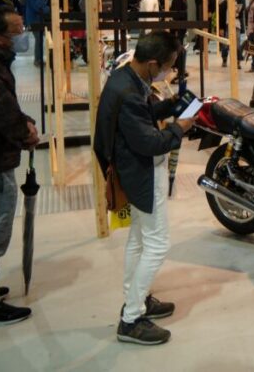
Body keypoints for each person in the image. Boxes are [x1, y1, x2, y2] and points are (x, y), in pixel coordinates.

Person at [93, 31, 194, 345]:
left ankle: (137, 299)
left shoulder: (125, 78)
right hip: (142, 173)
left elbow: (141, 117)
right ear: (153, 63)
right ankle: (131, 319)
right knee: (157, 244)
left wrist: (171, 106)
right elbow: (149, 142)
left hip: (132, 171)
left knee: (138, 239)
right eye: (168, 66)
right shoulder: (128, 92)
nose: (169, 72)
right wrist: (180, 128)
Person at [0, 7, 39, 327]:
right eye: (17, 30)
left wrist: (23, 121)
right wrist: (25, 133)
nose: (22, 35)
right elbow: (1, 112)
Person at [22, 0, 50, 67]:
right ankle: (37, 60)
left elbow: (43, 7)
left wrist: (45, 8)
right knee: (39, 40)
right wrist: (48, 9)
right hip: (33, 21)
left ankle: (39, 59)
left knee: (40, 40)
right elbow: (39, 8)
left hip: (40, 21)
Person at [217, 0, 242, 68]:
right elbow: (221, 15)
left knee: (237, 44)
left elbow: (241, 13)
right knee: (225, 44)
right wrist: (221, 28)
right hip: (227, 25)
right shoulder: (224, 2)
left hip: (237, 24)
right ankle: (224, 59)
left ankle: (238, 61)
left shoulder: (239, 0)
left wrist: (238, 11)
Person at [167, 0, 188, 83]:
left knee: (178, 48)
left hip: (178, 27)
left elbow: (177, 14)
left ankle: (181, 72)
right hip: (178, 27)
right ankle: (180, 70)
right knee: (178, 48)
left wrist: (175, 28)